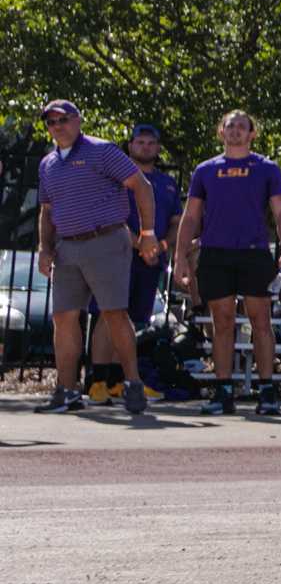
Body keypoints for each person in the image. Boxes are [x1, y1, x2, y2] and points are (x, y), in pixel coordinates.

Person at [31, 101, 161, 415]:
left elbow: (141, 186)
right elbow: (47, 211)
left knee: (114, 313)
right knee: (63, 317)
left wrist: (147, 233)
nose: (58, 126)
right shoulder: (48, 163)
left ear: (78, 121)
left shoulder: (102, 151)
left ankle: (131, 382)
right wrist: (45, 248)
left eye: (64, 119)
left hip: (106, 240)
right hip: (67, 246)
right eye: (51, 122)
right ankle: (67, 391)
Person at [174, 111, 281, 417]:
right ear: (220, 131)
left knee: (261, 323)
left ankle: (267, 391)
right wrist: (180, 257)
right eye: (231, 126)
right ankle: (223, 391)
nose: (236, 131)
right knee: (222, 323)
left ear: (252, 134)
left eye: (242, 126)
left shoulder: (266, 168)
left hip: (254, 253)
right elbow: (190, 216)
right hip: (215, 253)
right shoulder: (205, 170)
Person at [85, 122, 184, 404]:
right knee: (108, 315)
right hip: (116, 255)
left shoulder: (167, 183)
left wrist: (161, 245)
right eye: (140, 142)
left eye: (151, 143)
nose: (145, 147)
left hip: (151, 261)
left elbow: (177, 222)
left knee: (130, 320)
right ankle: (97, 382)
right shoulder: (116, 178)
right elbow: (111, 217)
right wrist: (140, 243)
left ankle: (118, 381)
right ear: (130, 146)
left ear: (158, 148)